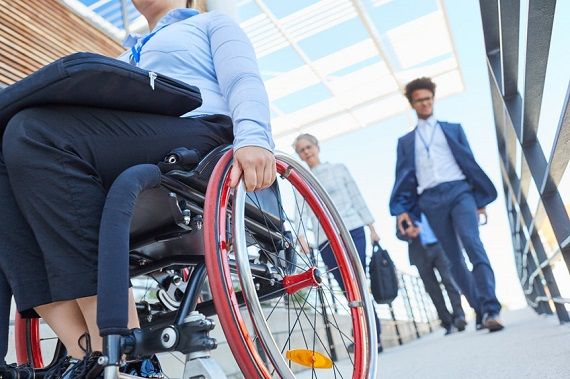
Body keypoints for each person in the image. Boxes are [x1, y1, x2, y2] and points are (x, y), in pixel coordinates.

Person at [0, 0, 275, 377]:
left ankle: (118, 353)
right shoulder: (121, 53)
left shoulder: (210, 24)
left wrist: (254, 137)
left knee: (33, 132)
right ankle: (85, 354)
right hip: (125, 148)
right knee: (8, 154)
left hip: (200, 135)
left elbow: (243, 78)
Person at [389, 77, 504, 332]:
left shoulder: (453, 128)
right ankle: (480, 308)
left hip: (460, 191)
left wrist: (480, 200)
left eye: (428, 99)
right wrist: (401, 211)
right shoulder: (406, 142)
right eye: (419, 100)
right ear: (413, 104)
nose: (425, 103)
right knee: (453, 259)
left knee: (473, 245)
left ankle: (491, 307)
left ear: (433, 99)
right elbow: (403, 178)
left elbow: (470, 162)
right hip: (430, 200)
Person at [293, 133, 384, 353]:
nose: (306, 152)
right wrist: (301, 236)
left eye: (308, 147)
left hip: (352, 229)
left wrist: (371, 227)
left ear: (317, 146)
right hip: (325, 239)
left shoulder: (339, 169)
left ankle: (373, 336)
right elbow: (299, 208)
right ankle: (364, 334)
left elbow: (356, 196)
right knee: (345, 287)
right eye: (301, 150)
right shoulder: (301, 176)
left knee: (358, 281)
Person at [397, 214, 466, 335]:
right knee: (432, 289)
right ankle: (447, 323)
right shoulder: (404, 209)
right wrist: (408, 232)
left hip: (439, 245)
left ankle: (459, 316)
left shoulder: (430, 199)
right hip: (419, 252)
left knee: (449, 280)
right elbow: (398, 233)